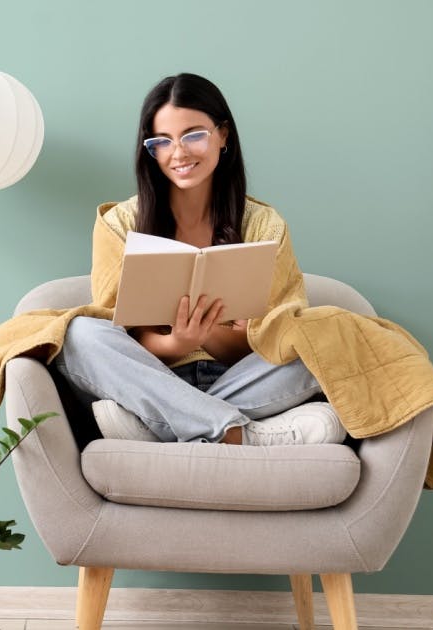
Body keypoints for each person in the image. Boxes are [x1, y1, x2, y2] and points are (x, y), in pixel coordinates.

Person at [52, 72, 348, 446]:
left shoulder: (263, 225)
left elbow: (280, 337)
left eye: (194, 135)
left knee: (325, 338)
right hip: (152, 376)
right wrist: (176, 343)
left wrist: (212, 334)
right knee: (78, 335)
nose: (179, 153)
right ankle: (239, 433)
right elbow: (117, 331)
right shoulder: (120, 224)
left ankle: (160, 427)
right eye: (162, 141)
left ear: (223, 135)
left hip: (242, 377)